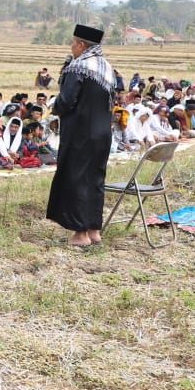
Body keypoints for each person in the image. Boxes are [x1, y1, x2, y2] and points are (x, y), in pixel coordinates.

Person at [46, 25, 117, 247]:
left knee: (76, 179)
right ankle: (94, 229)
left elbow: (66, 101)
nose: (71, 47)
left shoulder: (78, 68)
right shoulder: (106, 68)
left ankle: (80, 234)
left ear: (81, 45)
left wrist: (53, 106)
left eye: (73, 43)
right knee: (95, 179)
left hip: (80, 135)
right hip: (102, 134)